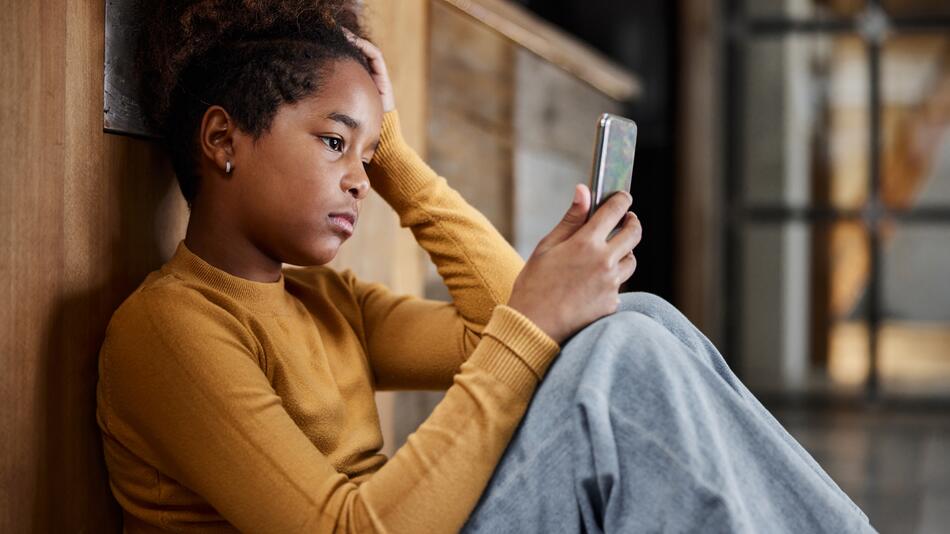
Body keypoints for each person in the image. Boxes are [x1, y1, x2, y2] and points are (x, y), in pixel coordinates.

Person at [95, 1, 876, 532]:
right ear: (222, 139)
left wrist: (395, 155)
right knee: (627, 347)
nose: (360, 179)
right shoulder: (170, 328)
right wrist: (536, 316)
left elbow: (518, 325)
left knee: (632, 321)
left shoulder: (326, 301)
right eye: (336, 143)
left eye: (368, 155)